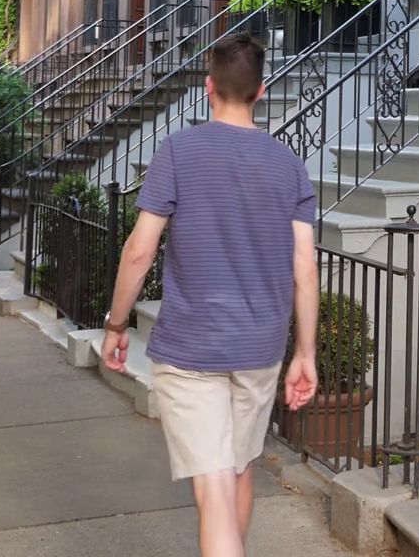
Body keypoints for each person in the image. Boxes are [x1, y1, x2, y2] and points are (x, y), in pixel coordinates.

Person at [101, 33, 318, 557]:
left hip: (191, 347)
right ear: (260, 91)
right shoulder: (288, 163)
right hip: (260, 348)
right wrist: (306, 353)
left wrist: (116, 324)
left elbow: (139, 251)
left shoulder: (179, 151)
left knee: (215, 488)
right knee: (238, 472)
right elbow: (305, 265)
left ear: (207, 87)